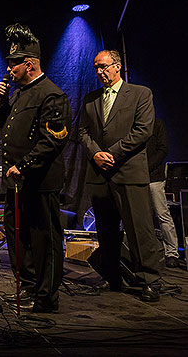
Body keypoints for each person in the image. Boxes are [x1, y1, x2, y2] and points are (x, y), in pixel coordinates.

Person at [0, 24, 71, 313]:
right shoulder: (20, 94)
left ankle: (46, 296)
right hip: (16, 183)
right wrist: (0, 101)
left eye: (14, 64)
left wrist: (23, 166)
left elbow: (53, 140)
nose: (9, 69)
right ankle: (26, 285)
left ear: (29, 64)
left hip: (39, 181)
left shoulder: (51, 95)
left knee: (44, 240)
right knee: (17, 236)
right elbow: (6, 127)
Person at [80, 50, 162, 302]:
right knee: (106, 230)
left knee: (139, 229)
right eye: (95, 67)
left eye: (103, 66)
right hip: (100, 174)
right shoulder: (91, 99)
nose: (98, 72)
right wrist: (95, 154)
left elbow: (143, 130)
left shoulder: (140, 93)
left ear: (117, 66)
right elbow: (83, 133)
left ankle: (149, 279)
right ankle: (112, 277)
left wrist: (111, 153)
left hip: (128, 171)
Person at [146, 119, 179, 268]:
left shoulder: (157, 124)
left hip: (154, 177)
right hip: (135, 178)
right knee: (135, 216)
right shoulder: (132, 123)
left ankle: (171, 253)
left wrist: (147, 167)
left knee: (162, 214)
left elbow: (163, 149)